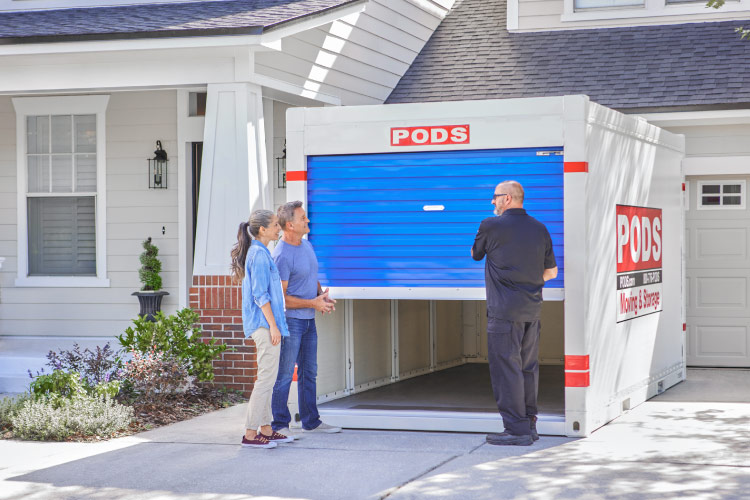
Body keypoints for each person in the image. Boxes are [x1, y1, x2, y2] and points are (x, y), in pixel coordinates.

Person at [471, 181, 558, 446]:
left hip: (503, 313)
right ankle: (529, 424)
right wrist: (528, 285)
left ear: (507, 199)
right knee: (527, 368)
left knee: (506, 369)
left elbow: (475, 254)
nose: (492, 202)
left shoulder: (490, 225)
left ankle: (515, 430)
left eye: (495, 197)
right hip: (531, 310)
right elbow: (551, 272)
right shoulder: (540, 228)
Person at [270, 201, 341, 435]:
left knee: (309, 371)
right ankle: (280, 424)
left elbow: (312, 276)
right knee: (284, 373)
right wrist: (313, 302)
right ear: (290, 225)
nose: (307, 221)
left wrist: (320, 295)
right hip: (291, 321)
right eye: (303, 219)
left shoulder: (307, 245)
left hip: (308, 320)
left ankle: (311, 421)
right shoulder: (281, 255)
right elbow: (282, 298)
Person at [230, 209, 295, 449]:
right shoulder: (258, 254)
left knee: (269, 377)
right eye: (276, 225)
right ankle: (250, 433)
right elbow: (260, 295)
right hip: (263, 324)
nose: (279, 229)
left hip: (267, 324)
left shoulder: (262, 252)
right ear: (263, 230)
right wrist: (274, 326)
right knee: (265, 380)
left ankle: (266, 429)